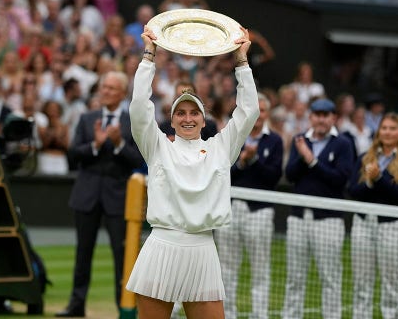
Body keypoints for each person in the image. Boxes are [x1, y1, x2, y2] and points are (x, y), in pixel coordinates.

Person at [126, 25, 257, 319]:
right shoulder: (157, 146)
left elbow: (248, 112)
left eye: (193, 112)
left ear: (203, 118)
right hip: (162, 247)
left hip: (203, 250)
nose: (187, 118)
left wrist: (242, 61)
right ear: (171, 121)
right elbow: (138, 108)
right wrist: (149, 55)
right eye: (180, 113)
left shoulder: (220, 148)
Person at [57, 71, 144, 317]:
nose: (105, 91)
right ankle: (76, 306)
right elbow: (73, 154)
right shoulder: (87, 119)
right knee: (83, 252)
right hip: (86, 195)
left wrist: (118, 144)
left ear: (122, 93)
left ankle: (124, 308)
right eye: (104, 87)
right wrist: (95, 145)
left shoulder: (133, 122)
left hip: (119, 198)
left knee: (122, 255)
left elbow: (139, 158)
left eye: (112, 88)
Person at [282, 98, 355, 319]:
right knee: (294, 278)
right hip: (298, 218)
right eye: (317, 115)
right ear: (311, 117)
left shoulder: (343, 143)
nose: (321, 119)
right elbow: (290, 175)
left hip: (329, 220)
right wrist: (303, 157)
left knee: (330, 279)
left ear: (334, 118)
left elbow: (341, 180)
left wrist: (311, 160)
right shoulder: (300, 139)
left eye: (326, 115)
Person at [216, 93, 283, 319]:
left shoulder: (274, 141)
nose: (260, 114)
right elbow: (222, 172)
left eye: (263, 110)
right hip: (230, 207)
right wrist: (243, 161)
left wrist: (254, 160)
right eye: (257, 110)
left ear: (267, 114)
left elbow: (274, 177)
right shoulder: (233, 137)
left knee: (260, 269)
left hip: (260, 211)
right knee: (226, 268)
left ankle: (259, 315)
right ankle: (228, 314)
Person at [347, 113, 398, 319]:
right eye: (384, 128)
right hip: (363, 225)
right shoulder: (364, 158)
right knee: (361, 283)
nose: (387, 132)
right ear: (379, 132)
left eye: (392, 128)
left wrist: (379, 178)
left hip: (392, 226)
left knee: (392, 285)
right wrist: (369, 182)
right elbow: (353, 191)